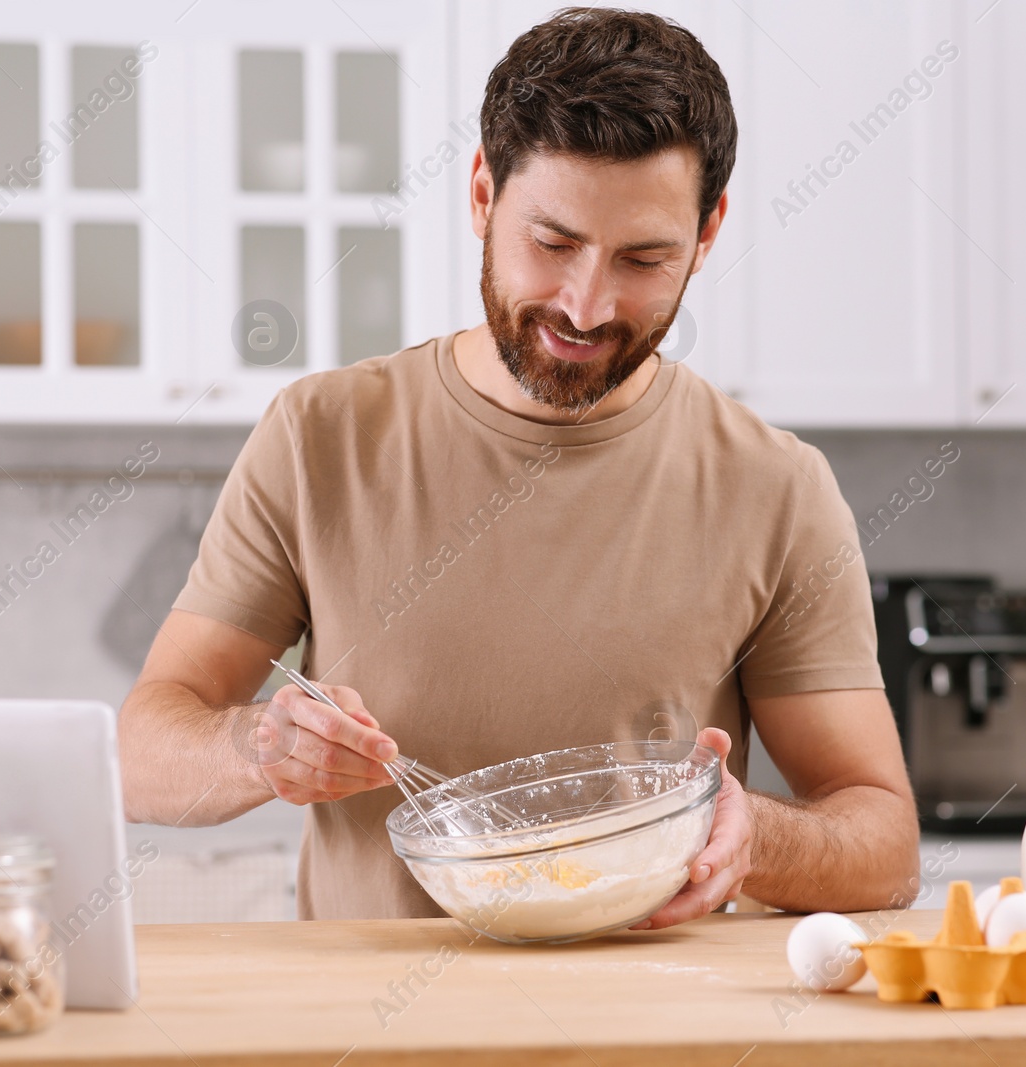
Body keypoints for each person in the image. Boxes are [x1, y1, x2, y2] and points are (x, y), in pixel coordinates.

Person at [119, 6, 919, 926]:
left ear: (707, 234)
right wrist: (258, 744)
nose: (586, 304)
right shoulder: (320, 437)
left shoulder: (777, 488)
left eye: (645, 258)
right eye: (553, 243)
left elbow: (885, 843)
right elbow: (140, 757)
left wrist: (757, 838)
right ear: (481, 196)